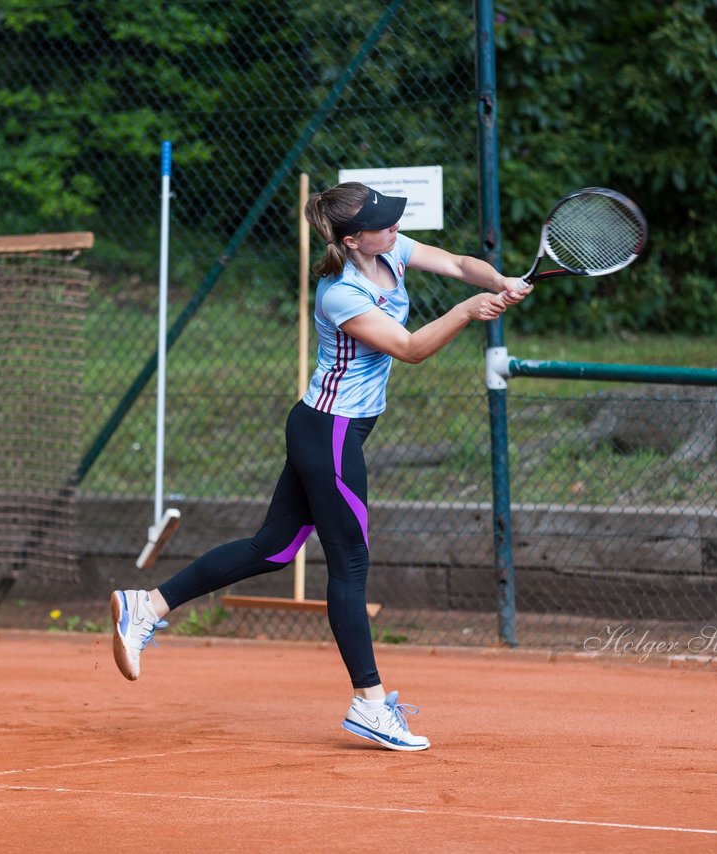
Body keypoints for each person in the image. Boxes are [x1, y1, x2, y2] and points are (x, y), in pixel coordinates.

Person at [111, 182, 531, 752]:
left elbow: (457, 262)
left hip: (325, 428)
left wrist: (499, 281)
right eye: (382, 223)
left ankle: (149, 605)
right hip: (330, 434)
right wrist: (466, 311)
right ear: (352, 239)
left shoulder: (389, 249)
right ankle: (370, 703)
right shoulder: (341, 293)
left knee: (272, 548)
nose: (394, 228)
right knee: (349, 563)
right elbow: (408, 348)